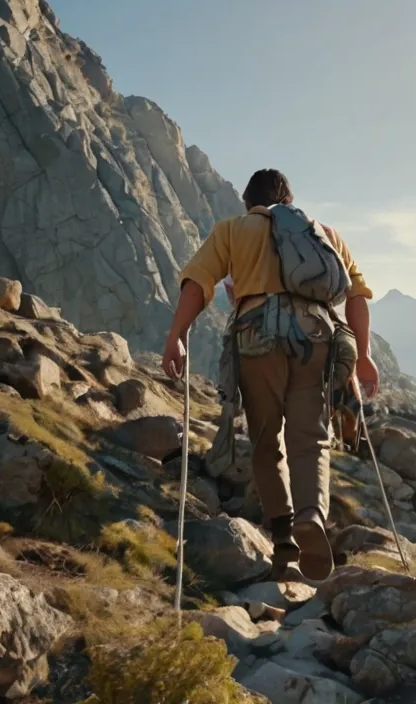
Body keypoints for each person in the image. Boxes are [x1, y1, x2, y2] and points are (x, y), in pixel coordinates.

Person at [161, 169, 378, 580]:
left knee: (266, 438)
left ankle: (283, 539)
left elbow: (197, 283)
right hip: (316, 337)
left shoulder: (233, 230)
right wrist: (364, 356)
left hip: (255, 336)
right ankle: (311, 515)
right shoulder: (324, 234)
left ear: (249, 203)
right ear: (289, 201)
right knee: (311, 437)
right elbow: (357, 295)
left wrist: (177, 336)